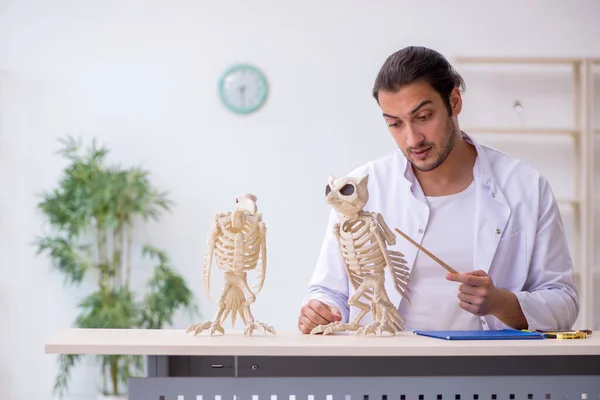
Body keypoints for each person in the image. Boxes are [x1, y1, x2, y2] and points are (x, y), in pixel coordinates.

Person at [298, 46, 579, 334]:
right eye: (395, 124)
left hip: (489, 369)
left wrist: (501, 302)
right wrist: (320, 309)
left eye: (423, 117)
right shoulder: (357, 189)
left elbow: (564, 304)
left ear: (455, 101)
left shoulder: (525, 187)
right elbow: (328, 291)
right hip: (381, 368)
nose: (412, 139)